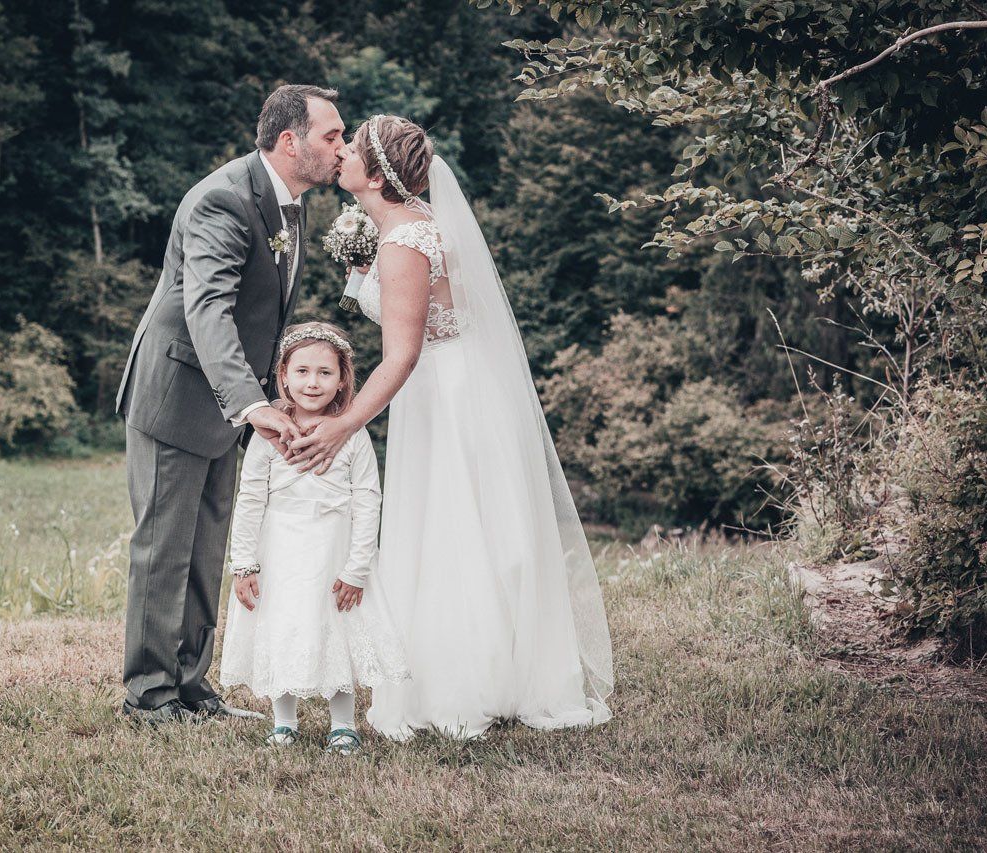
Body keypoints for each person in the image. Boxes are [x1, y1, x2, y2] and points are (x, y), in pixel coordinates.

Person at [287, 115, 617, 739]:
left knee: (451, 523)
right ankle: (493, 666)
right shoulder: (408, 226)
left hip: (440, 389)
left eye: (353, 146)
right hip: (453, 380)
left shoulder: (405, 242)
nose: (342, 152)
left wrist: (344, 424)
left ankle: (461, 684)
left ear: (376, 177)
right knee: (467, 521)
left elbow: (402, 354)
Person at [113, 85, 346, 724]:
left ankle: (191, 686)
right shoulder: (223, 199)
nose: (342, 147)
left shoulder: (289, 204)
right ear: (290, 141)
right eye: (332, 135)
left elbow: (261, 315)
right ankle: (149, 696)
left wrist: (262, 399)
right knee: (163, 549)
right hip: (178, 393)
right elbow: (208, 309)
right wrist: (251, 403)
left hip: (223, 407)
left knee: (205, 549)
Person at [219, 322, 408, 754]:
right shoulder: (268, 435)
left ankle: (343, 724)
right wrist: (244, 564)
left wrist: (357, 569)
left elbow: (367, 500)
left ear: (342, 379)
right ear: (283, 375)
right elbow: (250, 499)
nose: (312, 382)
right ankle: (284, 722)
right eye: (302, 371)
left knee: (336, 630)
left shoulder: (352, 435)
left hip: (333, 551)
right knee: (281, 628)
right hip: (279, 551)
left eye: (325, 372)